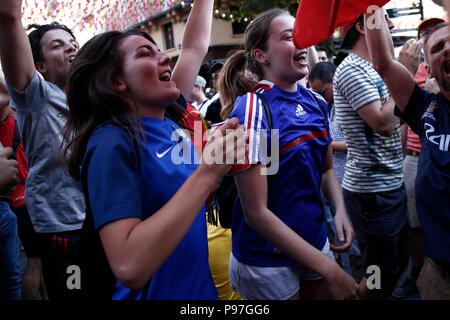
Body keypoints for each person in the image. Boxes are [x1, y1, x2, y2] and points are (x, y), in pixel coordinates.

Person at [62, 0, 246, 300]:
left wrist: (214, 153)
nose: (165, 59)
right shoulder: (111, 142)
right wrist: (209, 171)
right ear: (116, 81)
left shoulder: (170, 125)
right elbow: (129, 265)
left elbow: (193, 48)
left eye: (160, 51)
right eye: (146, 53)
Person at [218, 9, 358, 300]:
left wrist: (339, 210)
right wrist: (332, 271)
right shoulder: (252, 109)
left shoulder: (317, 102)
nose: (302, 42)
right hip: (265, 260)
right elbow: (256, 213)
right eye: (289, 37)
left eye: (302, 35)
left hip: (315, 240)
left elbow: (326, 169)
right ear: (261, 55)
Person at [0, 1, 86, 299]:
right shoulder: (36, 95)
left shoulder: (93, 99)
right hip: (64, 228)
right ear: (40, 66)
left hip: (103, 220)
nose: (71, 48)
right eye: (58, 46)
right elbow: (9, 18)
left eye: (74, 43)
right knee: (74, 293)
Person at [365, 8, 450, 300]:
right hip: (440, 276)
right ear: (430, 66)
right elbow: (384, 63)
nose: (447, 48)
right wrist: (370, 7)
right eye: (438, 47)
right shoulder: (427, 109)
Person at [333, 12, 410, 299]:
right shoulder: (352, 69)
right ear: (361, 27)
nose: (390, 24)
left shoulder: (378, 69)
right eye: (382, 18)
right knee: (377, 272)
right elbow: (383, 122)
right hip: (371, 195)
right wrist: (407, 71)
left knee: (396, 265)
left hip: (391, 185)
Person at [392, 17, 444, 300]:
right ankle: (416, 272)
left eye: (435, 31)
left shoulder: (445, 68)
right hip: (414, 155)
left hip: (442, 152)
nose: (429, 35)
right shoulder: (412, 71)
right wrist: (403, 154)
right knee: (416, 224)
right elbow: (400, 117)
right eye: (425, 31)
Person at [0, 77, 47, 300]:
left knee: (37, 262)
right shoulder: (8, 122)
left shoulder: (13, 122)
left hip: (17, 200)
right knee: (33, 264)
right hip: (21, 201)